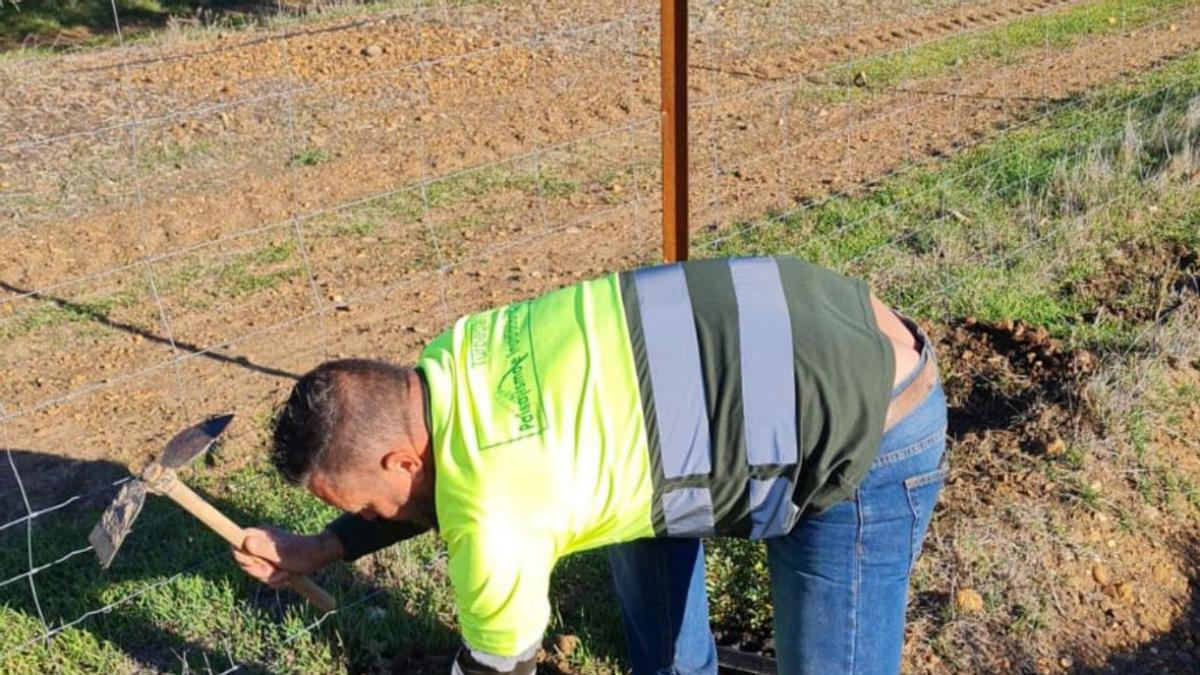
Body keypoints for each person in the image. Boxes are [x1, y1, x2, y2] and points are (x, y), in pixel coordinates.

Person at [231, 255, 947, 675]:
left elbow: (495, 663)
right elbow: (433, 488)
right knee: (609, 504)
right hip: (810, 311)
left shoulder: (497, 516)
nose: (370, 518)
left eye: (362, 507)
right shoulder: (461, 355)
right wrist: (322, 546)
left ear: (400, 457)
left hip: (870, 427)